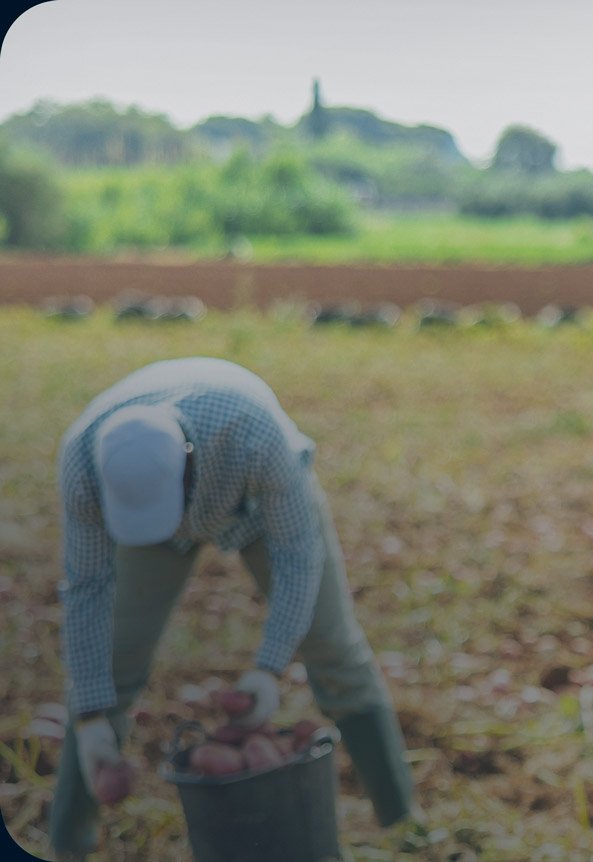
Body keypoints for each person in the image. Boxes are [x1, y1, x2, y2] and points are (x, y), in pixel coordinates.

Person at [50, 356, 417, 860]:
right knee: (109, 667)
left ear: (189, 461)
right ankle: (68, 846)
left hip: (256, 505)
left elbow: (296, 559)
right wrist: (90, 715)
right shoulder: (82, 463)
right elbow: (88, 587)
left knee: (334, 648)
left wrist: (269, 668)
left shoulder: (255, 436)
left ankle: (405, 825)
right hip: (140, 520)